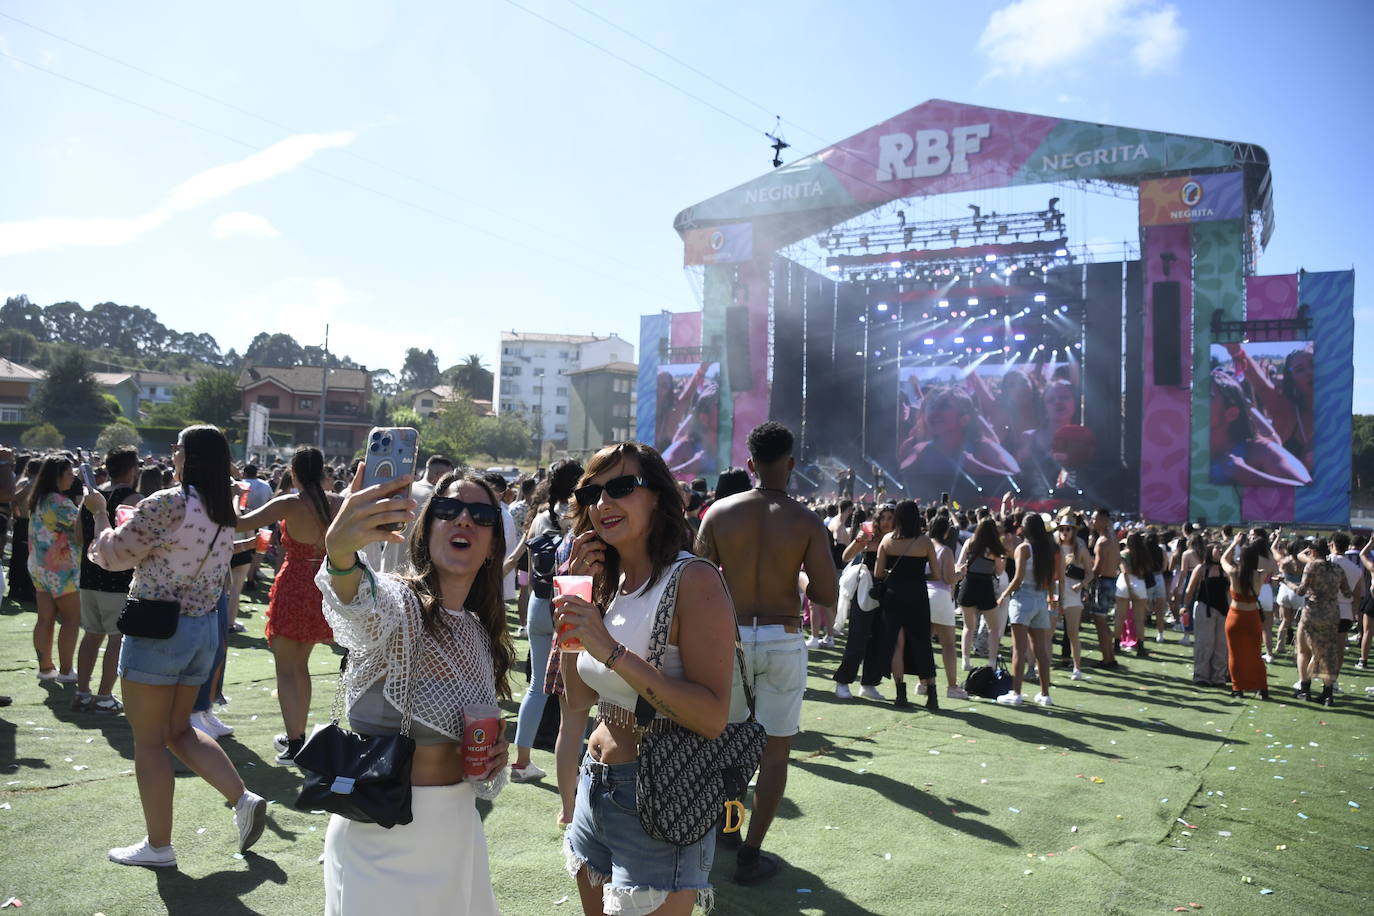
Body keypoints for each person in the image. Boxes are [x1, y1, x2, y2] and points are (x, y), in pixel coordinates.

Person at [316, 466, 512, 916]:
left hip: (456, 828)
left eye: (481, 515)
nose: (464, 520)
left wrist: (494, 754)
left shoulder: (480, 633)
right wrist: (341, 554)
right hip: (382, 827)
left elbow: (475, 746)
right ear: (427, 529)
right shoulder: (398, 604)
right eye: (448, 509)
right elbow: (358, 603)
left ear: (491, 547)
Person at [557, 441, 736, 914]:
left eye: (620, 487)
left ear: (657, 495)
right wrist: (578, 616)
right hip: (595, 785)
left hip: (658, 796)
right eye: (591, 494)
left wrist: (612, 651)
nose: (602, 504)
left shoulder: (692, 579)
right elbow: (577, 699)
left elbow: (712, 717)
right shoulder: (608, 583)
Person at [88, 425, 266, 867]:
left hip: (158, 632)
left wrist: (97, 512)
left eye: (177, 449)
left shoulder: (168, 502)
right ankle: (243, 800)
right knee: (180, 730)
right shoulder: (223, 508)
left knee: (149, 742)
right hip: (203, 630)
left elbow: (110, 555)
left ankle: (159, 846)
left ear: (185, 455)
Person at [695, 421, 837, 884]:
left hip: (729, 636)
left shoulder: (718, 513)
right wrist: (794, 577)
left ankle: (727, 826)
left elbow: (697, 577)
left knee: (725, 742)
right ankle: (750, 853)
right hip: (782, 636)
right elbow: (827, 596)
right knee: (775, 754)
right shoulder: (807, 521)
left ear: (750, 464)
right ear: (791, 465)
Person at [236, 446, 343, 764]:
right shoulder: (336, 502)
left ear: (294, 473)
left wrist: (234, 492)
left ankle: (295, 740)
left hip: (294, 581)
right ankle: (299, 736)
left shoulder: (289, 502)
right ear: (323, 472)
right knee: (301, 666)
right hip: (322, 585)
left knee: (286, 669)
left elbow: (240, 523)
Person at [503, 458, 583, 786]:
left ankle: (522, 762)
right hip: (570, 602)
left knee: (537, 687)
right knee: (573, 692)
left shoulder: (537, 516)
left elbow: (517, 558)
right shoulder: (578, 516)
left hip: (538, 602)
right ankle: (573, 768)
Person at [72, 446, 142, 714]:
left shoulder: (92, 497)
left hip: (89, 576)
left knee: (91, 635)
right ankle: (104, 696)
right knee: (116, 638)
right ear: (133, 469)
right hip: (118, 578)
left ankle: (82, 693)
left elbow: (79, 536)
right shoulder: (134, 497)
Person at [29, 454, 95, 684]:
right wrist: (87, 504)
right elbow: (81, 527)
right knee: (71, 618)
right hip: (62, 569)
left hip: (40, 567)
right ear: (58, 476)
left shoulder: (38, 499)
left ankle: (46, 668)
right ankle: (67, 671)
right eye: (69, 473)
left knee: (44, 618)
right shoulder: (59, 502)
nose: (73, 476)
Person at [873, 500, 941, 711]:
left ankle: (900, 693)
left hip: (893, 595)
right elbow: (937, 575)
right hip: (917, 596)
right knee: (922, 643)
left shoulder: (886, 541)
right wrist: (919, 575)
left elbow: (878, 573)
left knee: (897, 644)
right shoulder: (925, 542)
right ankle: (932, 695)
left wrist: (896, 575)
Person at [996, 512, 1062, 707]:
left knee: (1019, 648)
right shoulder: (1047, 550)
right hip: (1041, 600)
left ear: (1024, 529)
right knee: (1040, 649)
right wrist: (1051, 598)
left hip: (1023, 600)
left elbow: (1017, 578)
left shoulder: (1024, 548)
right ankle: (1045, 694)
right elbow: (1051, 578)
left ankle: (1016, 693)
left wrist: (1002, 595)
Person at [831, 505, 894, 699]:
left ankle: (869, 683)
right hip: (865, 590)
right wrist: (860, 541)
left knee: (878, 639)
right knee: (857, 638)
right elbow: (845, 557)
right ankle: (843, 681)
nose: (886, 521)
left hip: (886, 593)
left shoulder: (898, 538)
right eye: (883, 517)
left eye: (890, 517)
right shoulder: (868, 532)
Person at [1294, 538, 1351, 707]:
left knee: (1303, 650)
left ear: (1313, 552)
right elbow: (1347, 593)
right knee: (1328, 653)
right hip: (1332, 613)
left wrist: (1287, 583)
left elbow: (1301, 590)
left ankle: (1305, 689)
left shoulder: (1311, 566)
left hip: (1312, 612)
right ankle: (1327, 694)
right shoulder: (1337, 568)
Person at [1220, 532, 1275, 699]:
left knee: (1235, 654)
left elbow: (1223, 559)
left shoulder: (1234, 572)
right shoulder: (1259, 575)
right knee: (1255, 653)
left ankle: (1238, 688)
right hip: (1252, 616)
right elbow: (1273, 565)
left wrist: (1233, 544)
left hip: (1235, 616)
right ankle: (1261, 687)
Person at [956, 516, 1007, 669]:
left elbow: (959, 565)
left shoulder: (969, 543)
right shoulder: (995, 548)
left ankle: (965, 660)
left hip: (969, 585)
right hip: (985, 586)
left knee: (968, 626)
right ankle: (991, 662)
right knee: (994, 627)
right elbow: (998, 571)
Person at [926, 514, 967, 699]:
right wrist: (960, 574)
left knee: (924, 642)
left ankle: (923, 683)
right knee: (949, 645)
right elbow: (949, 579)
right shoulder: (945, 550)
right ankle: (952, 687)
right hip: (941, 596)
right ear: (945, 531)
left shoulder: (923, 547)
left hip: (923, 595)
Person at [1053, 509, 1090, 680]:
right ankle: (1039, 666)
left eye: (1068, 529)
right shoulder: (1054, 545)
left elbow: (1090, 573)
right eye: (1061, 528)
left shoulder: (1080, 546)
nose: (1064, 532)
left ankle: (1077, 667)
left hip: (1072, 594)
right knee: (1048, 632)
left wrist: (1081, 585)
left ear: (1074, 530)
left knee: (1072, 632)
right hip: (1054, 591)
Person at [1086, 510, 1122, 669]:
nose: (1092, 521)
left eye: (1094, 519)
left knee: (1100, 622)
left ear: (1103, 520)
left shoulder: (1102, 541)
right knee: (1103, 621)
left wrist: (1086, 580)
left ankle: (1107, 658)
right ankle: (1109, 657)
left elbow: (1098, 568)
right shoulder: (1113, 538)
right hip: (1111, 581)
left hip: (1102, 583)